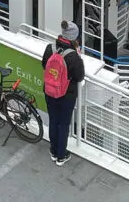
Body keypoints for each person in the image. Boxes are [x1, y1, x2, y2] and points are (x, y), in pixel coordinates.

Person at [41, 19, 85, 167]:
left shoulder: (50, 48)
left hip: (49, 90)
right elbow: (79, 76)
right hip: (66, 95)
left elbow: (44, 65)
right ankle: (61, 155)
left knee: (53, 120)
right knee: (64, 123)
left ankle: (53, 151)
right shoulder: (73, 56)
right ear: (74, 38)